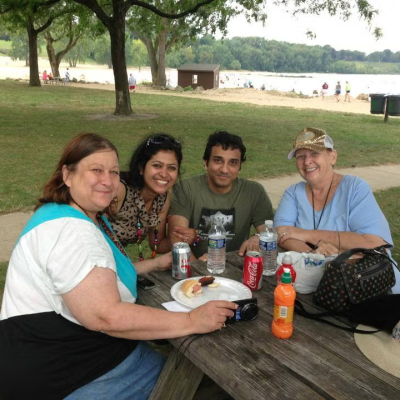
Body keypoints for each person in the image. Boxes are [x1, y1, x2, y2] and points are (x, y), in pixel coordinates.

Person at [0, 133, 237, 399]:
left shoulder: (62, 213)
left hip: (55, 355)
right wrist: (192, 320)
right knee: (210, 387)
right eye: (96, 170)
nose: (108, 180)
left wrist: (153, 263)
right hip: (69, 372)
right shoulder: (74, 232)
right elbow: (105, 316)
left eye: (113, 172)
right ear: (67, 175)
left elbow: (91, 279)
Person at [274, 127, 400, 293]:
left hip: (374, 286)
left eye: (315, 154)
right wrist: (315, 255)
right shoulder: (293, 193)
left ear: (332, 157)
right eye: (300, 156)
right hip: (328, 287)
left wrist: (305, 234)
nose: (307, 162)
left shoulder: (354, 188)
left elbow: (374, 242)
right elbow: (281, 233)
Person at [168, 130, 274, 260]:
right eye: (218, 160)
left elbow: (270, 232)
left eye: (233, 163)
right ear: (206, 162)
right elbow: (177, 241)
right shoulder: (185, 188)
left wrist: (258, 238)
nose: (224, 169)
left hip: (236, 267)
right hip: (194, 266)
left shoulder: (254, 192)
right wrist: (197, 269)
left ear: (240, 166)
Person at [110, 133, 184, 259]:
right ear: (141, 168)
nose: (164, 174)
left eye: (171, 168)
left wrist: (177, 238)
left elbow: (158, 245)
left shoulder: (162, 199)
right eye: (157, 166)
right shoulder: (120, 191)